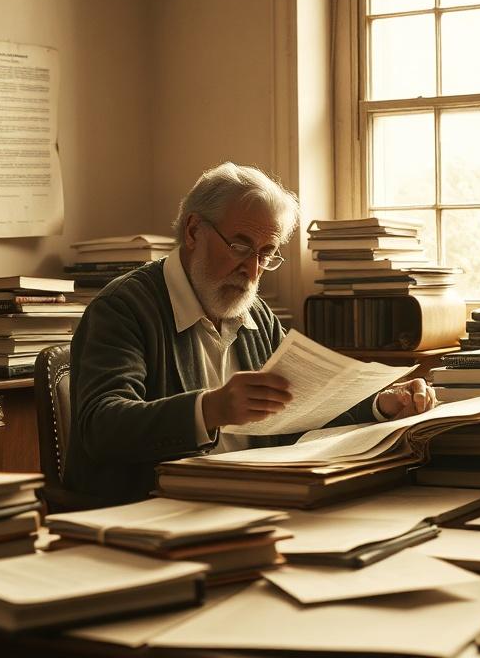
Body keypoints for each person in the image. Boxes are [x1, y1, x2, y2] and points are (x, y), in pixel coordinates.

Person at [63, 162, 436, 505]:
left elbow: (304, 408)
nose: (252, 268)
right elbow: (102, 426)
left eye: (267, 253)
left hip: (254, 499)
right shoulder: (123, 308)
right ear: (194, 231)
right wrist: (211, 409)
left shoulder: (256, 314)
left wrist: (384, 403)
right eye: (240, 246)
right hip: (153, 508)